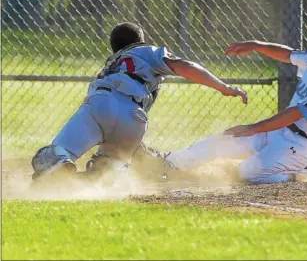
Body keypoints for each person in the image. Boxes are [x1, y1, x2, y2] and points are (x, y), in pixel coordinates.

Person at [156, 13, 307, 183]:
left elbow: (297, 112)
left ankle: (300, 170)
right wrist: (255, 45)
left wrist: (253, 128)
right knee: (222, 140)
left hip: (301, 145)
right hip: (278, 131)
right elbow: (289, 55)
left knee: (247, 174)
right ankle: (167, 163)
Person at [31, 22, 247, 180]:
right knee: (107, 172)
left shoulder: (112, 64)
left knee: (51, 155)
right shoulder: (145, 51)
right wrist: (223, 87)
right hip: (135, 120)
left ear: (115, 48)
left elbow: (106, 111)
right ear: (139, 41)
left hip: (102, 104)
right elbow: (185, 66)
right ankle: (99, 178)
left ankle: (59, 170)